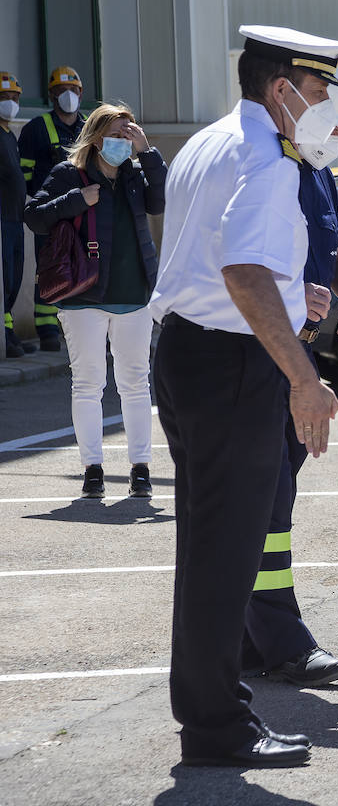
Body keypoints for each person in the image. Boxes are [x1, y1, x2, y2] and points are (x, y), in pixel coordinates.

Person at [150, 24, 338, 767]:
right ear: (283, 89)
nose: (327, 104)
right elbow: (243, 273)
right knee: (224, 552)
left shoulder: (211, 141)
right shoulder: (268, 160)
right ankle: (217, 728)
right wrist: (304, 376)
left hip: (192, 352)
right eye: (321, 90)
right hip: (232, 363)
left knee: (209, 547)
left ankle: (209, 714)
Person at [241, 52, 338, 689]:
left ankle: (248, 635)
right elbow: (243, 269)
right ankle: (280, 638)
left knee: (271, 494)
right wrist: (298, 299)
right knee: (266, 501)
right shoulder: (266, 166)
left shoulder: (312, 166)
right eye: (334, 117)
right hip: (260, 354)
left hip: (295, 349)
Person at [24, 103, 166, 500]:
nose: (123, 141)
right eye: (117, 134)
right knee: (88, 384)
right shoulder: (69, 173)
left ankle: (140, 468)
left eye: (128, 134)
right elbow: (33, 216)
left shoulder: (136, 175)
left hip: (134, 293)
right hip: (82, 295)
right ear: (96, 134)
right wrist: (75, 200)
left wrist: (148, 153)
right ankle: (93, 469)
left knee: (135, 384)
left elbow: (162, 200)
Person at [19, 66, 87, 351]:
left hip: (84, 210)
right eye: (61, 91)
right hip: (50, 213)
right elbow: (24, 176)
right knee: (49, 269)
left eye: (72, 90)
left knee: (84, 267)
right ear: (51, 95)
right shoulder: (36, 129)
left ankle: (82, 326)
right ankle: (47, 329)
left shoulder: (88, 126)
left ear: (81, 93)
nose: (67, 96)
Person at [0, 72, 25, 358]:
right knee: (5, 276)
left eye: (15, 98)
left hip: (16, 218)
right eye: (4, 98)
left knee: (15, 276)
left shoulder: (10, 135)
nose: (11, 103)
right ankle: (5, 334)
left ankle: (10, 332)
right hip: (3, 219)